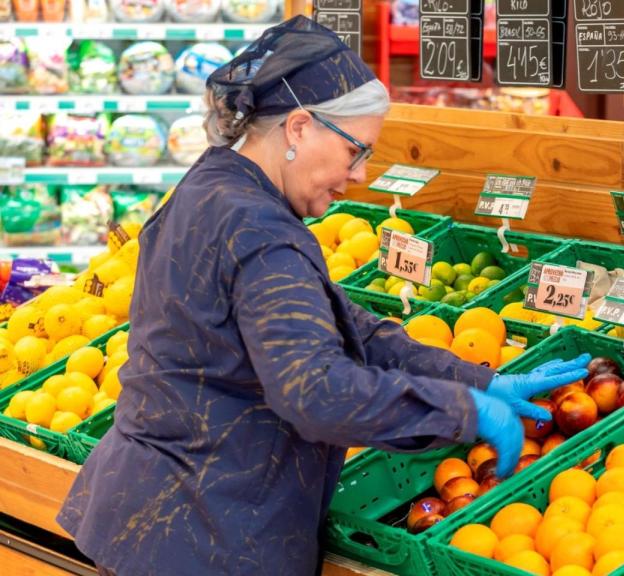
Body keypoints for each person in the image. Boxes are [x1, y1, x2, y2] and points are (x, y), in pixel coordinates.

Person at [57, 16, 589, 575]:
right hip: (209, 536)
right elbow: (315, 390)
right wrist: (462, 410)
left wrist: (479, 380)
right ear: (299, 128)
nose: (359, 175)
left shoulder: (213, 185)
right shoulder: (260, 231)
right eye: (356, 151)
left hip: (155, 512)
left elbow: (344, 323)